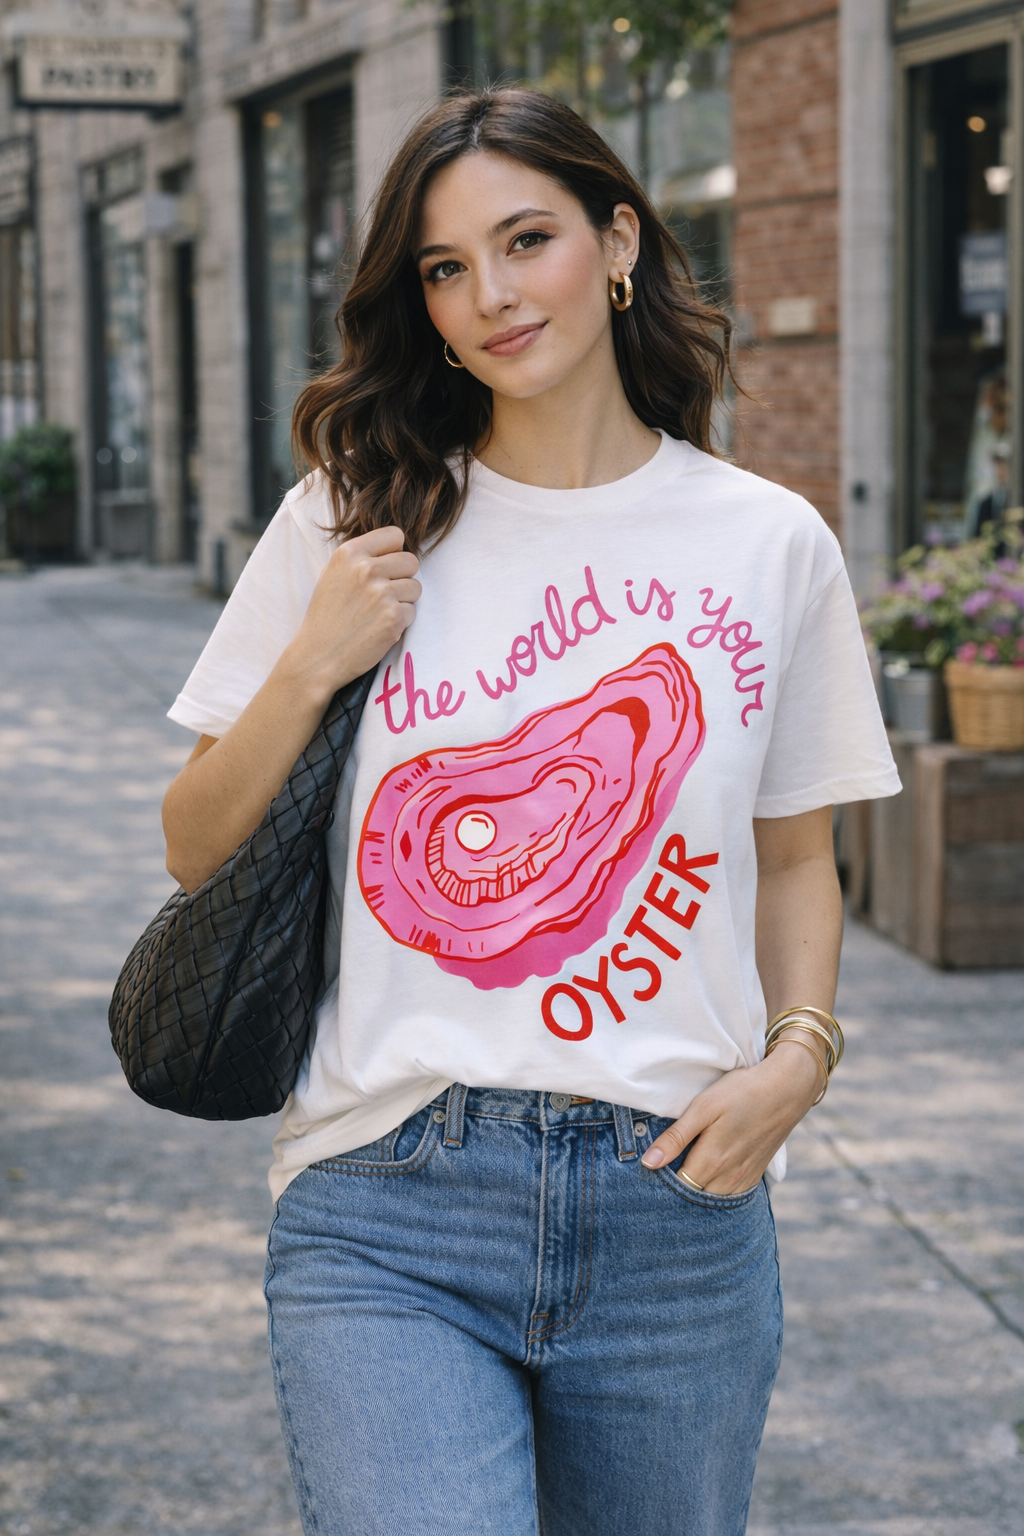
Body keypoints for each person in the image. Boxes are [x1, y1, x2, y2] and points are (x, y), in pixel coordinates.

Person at [162, 89, 900, 1536]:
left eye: (526, 240)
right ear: (424, 309)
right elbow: (194, 845)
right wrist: (313, 659)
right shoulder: (353, 517)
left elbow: (797, 859)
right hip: (389, 1198)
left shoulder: (770, 543)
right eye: (446, 268)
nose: (492, 295)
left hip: (675, 1203)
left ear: (617, 242)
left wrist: (799, 1060)